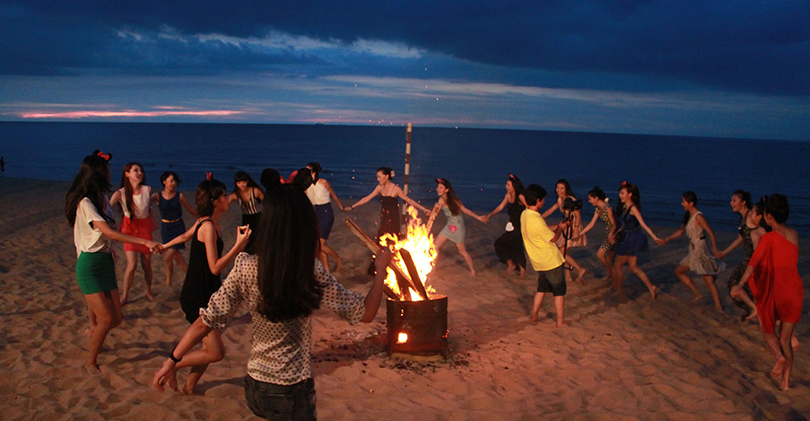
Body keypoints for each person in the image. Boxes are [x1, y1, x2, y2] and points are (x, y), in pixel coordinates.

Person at [153, 185, 393, 419]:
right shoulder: (308, 270)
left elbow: (206, 320)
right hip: (292, 389)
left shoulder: (245, 265)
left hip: (255, 387)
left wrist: (172, 360)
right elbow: (365, 313)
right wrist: (380, 270)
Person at [66, 150, 160, 374]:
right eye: (106, 171)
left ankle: (94, 331)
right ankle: (91, 362)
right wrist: (144, 242)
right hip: (89, 264)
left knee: (116, 318)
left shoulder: (103, 200)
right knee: (107, 319)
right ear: (96, 174)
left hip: (106, 262)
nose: (110, 174)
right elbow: (109, 233)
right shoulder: (86, 203)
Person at [160, 174, 251, 394]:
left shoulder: (208, 223)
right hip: (197, 294)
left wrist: (164, 246)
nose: (227, 199)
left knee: (210, 348)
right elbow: (215, 267)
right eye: (223, 196)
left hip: (207, 292)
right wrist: (239, 246)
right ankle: (172, 366)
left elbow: (183, 237)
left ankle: (189, 387)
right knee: (215, 352)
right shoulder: (208, 226)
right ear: (214, 201)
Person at [731, 194, 802, 391]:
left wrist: (740, 284)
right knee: (786, 339)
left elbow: (753, 264)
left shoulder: (768, 238)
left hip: (777, 292)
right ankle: (786, 383)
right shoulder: (795, 234)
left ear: (768, 216)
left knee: (769, 331)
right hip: (794, 291)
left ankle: (779, 361)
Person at [661, 191, 726, 311]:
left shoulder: (698, 216)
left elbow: (710, 232)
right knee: (679, 271)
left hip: (700, 248)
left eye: (684, 202)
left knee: (708, 279)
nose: (682, 204)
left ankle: (718, 306)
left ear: (691, 203)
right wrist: (667, 239)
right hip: (693, 248)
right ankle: (698, 294)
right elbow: (681, 231)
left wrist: (715, 248)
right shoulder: (688, 215)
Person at [521, 184, 570, 327]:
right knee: (559, 292)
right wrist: (560, 228)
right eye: (542, 200)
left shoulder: (525, 215)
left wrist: (557, 225)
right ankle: (560, 321)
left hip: (539, 262)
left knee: (541, 289)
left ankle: (534, 316)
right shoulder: (536, 220)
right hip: (551, 261)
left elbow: (542, 231)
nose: (543, 202)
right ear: (538, 200)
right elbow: (553, 238)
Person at [109, 162, 156, 304]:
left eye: (141, 170)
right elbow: (107, 209)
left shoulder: (147, 189)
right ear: (127, 174)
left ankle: (148, 291)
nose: (139, 173)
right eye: (135, 170)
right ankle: (125, 295)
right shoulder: (120, 193)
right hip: (129, 229)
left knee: (147, 263)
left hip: (145, 228)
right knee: (132, 264)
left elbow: (148, 207)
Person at [344, 166, 429, 240]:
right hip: (384, 216)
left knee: (392, 237)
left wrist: (424, 209)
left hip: (393, 217)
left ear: (386, 176)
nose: (378, 179)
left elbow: (409, 200)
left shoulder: (395, 189)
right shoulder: (379, 188)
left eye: (379, 177)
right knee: (382, 235)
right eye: (377, 177)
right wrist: (352, 207)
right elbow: (366, 198)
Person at [612, 182, 663, 298]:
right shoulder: (626, 207)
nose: (620, 195)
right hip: (628, 237)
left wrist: (655, 237)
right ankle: (651, 287)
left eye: (622, 193)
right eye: (620, 193)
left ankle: (619, 290)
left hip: (632, 239)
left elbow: (643, 224)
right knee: (633, 267)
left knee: (617, 265)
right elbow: (626, 224)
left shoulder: (633, 208)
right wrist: (616, 233)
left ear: (629, 194)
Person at [716, 190, 761, 320]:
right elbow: (739, 239)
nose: (731, 203)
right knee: (737, 285)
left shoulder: (751, 217)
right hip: (748, 258)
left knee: (735, 284)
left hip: (753, 259)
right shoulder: (743, 218)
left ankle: (754, 309)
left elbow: (762, 232)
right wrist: (724, 252)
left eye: (734, 201)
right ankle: (753, 309)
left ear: (743, 202)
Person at [430, 178, 487, 276]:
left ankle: (472, 270)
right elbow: (434, 213)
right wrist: (429, 214)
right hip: (449, 226)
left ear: (447, 190)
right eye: (438, 187)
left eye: (441, 188)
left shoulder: (455, 201)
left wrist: (478, 217)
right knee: (435, 246)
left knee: (462, 251)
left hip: (458, 227)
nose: (438, 189)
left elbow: (465, 210)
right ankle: (433, 268)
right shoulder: (440, 200)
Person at [151, 171, 197, 286]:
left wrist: (202, 218)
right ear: (164, 181)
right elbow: (145, 204)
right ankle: (187, 279)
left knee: (168, 256)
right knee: (178, 259)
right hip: (166, 228)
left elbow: (191, 210)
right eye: (171, 180)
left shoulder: (179, 196)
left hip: (178, 227)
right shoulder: (157, 196)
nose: (173, 183)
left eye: (175, 181)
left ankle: (169, 283)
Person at [541, 179, 587, 283]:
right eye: (557, 188)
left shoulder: (571, 199)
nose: (559, 190)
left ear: (566, 189)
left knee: (561, 254)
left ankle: (580, 269)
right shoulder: (560, 199)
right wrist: (539, 218)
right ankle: (568, 276)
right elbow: (551, 210)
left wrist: (575, 230)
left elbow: (578, 216)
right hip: (566, 226)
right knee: (563, 252)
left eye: (562, 188)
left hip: (572, 227)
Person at [305, 162, 346, 272]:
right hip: (316, 212)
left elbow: (333, 195)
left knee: (320, 244)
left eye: (308, 171)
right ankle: (327, 269)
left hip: (326, 212)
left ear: (314, 173)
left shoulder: (323, 182)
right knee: (319, 243)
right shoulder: (306, 185)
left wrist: (341, 206)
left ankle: (338, 259)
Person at [485, 174, 527, 277]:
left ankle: (520, 270)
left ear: (514, 186)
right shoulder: (508, 196)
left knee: (517, 247)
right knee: (501, 244)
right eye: (506, 185)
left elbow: (529, 208)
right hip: (511, 225)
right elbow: (500, 207)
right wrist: (490, 215)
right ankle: (512, 265)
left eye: (508, 185)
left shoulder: (520, 196)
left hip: (520, 225)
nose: (506, 187)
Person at [576, 187, 617, 283]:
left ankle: (612, 275)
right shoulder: (598, 209)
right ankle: (611, 275)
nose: (590, 201)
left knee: (601, 254)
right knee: (607, 258)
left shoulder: (608, 208)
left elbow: (614, 223)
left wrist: (611, 234)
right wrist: (580, 233)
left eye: (590, 199)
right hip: (609, 232)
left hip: (614, 232)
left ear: (596, 198)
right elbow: (591, 224)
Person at [228, 171, 263, 254]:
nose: (241, 185)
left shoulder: (255, 191)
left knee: (258, 240)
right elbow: (224, 203)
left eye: (243, 182)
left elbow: (268, 202)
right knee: (246, 242)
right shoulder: (235, 194)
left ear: (247, 181)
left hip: (257, 217)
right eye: (239, 183)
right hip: (246, 218)